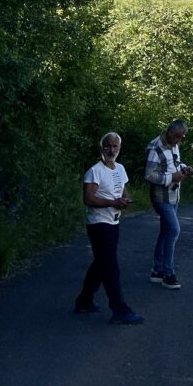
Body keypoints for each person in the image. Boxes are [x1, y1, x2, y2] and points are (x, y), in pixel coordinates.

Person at [75, 132, 144, 324]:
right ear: (101, 148)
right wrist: (112, 203)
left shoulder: (120, 169)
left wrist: (125, 199)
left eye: (114, 146)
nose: (111, 149)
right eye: (107, 146)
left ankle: (84, 302)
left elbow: (122, 189)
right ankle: (120, 309)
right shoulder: (94, 171)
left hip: (114, 222)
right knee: (110, 267)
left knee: (100, 263)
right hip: (98, 224)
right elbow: (88, 199)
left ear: (119, 149)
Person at [143, 119, 192, 290]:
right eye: (178, 137)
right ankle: (168, 273)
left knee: (165, 232)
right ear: (171, 133)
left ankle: (157, 270)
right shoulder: (155, 147)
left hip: (174, 196)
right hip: (161, 197)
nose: (179, 140)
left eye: (181, 137)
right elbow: (149, 174)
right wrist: (172, 178)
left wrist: (185, 169)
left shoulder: (174, 145)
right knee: (173, 230)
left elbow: (174, 164)